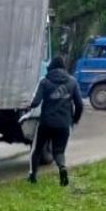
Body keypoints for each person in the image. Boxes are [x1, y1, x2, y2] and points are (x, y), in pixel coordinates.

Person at [28, 56, 84, 186]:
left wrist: (29, 106)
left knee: (37, 149)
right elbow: (79, 105)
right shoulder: (72, 82)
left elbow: (35, 102)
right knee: (59, 151)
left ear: (51, 67)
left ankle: (33, 176)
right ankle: (62, 168)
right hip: (64, 124)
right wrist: (74, 119)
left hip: (46, 123)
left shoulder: (45, 81)